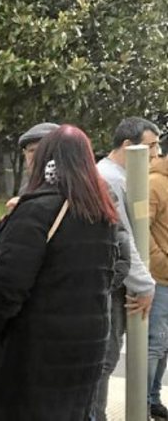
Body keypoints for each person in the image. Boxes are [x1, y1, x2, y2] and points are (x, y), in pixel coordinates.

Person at [0, 125, 121, 421]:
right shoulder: (102, 214)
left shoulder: (36, 210)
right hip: (85, 349)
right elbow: (112, 274)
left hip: (31, 353)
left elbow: (6, 288)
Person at [92, 116, 158, 421]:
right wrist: (144, 284)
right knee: (104, 359)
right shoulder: (112, 180)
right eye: (151, 146)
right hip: (112, 284)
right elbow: (124, 238)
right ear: (129, 146)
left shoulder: (118, 176)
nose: (157, 154)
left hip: (115, 281)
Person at [148, 132, 168, 421]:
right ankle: (141, 402)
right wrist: (162, 262)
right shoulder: (154, 183)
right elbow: (142, 229)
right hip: (159, 279)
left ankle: (152, 398)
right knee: (153, 343)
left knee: (164, 345)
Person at [5, 121, 59, 211]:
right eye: (32, 150)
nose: (37, 156)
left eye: (44, 150)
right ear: (24, 153)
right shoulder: (26, 190)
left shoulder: (73, 188)